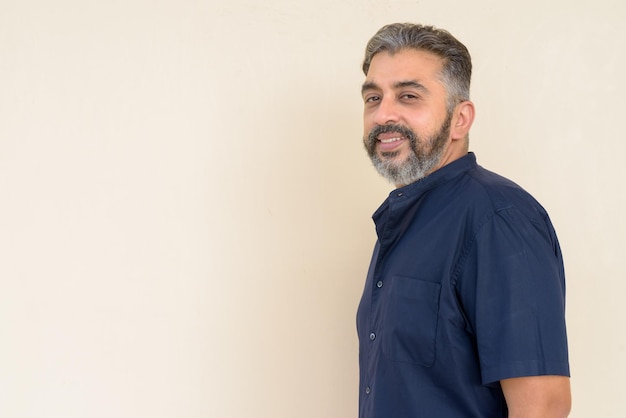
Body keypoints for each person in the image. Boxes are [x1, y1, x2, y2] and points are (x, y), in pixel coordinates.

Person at [356, 23, 571, 417]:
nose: (383, 114)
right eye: (373, 97)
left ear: (460, 119)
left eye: (408, 96)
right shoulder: (401, 222)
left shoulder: (499, 221)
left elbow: (544, 407)